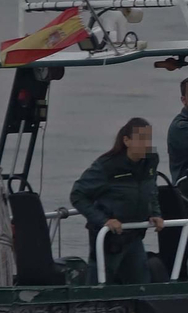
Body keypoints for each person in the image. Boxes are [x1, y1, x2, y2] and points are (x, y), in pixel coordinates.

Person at [70, 117, 166, 285]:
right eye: (141, 139)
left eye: (148, 139)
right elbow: (77, 196)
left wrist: (155, 213)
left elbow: (151, 189)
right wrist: (104, 220)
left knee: (141, 282)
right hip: (109, 238)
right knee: (99, 283)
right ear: (127, 141)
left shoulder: (151, 161)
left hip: (133, 235)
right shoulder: (107, 166)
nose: (146, 144)